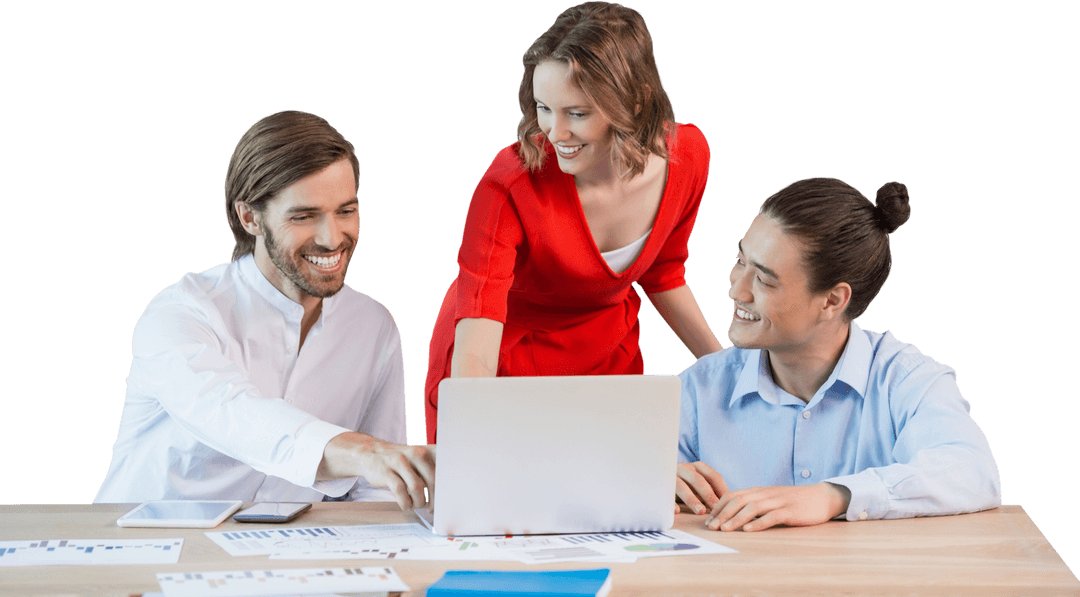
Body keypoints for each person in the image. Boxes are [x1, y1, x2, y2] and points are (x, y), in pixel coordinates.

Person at [95, 111, 434, 510]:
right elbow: (233, 416)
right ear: (250, 217)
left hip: (283, 554)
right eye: (304, 216)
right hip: (143, 547)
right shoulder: (181, 312)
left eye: (346, 211)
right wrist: (362, 452)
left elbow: (376, 487)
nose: (332, 238)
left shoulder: (374, 326)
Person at [424, 1, 722, 442]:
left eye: (577, 113)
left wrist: (725, 370)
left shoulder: (689, 157)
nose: (553, 132)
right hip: (503, 362)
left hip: (607, 358)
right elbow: (479, 331)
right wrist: (473, 434)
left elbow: (663, 271)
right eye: (544, 107)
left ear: (634, 104)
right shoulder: (509, 185)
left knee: (619, 502)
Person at [675, 178, 1000, 531]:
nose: (736, 289)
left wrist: (834, 496)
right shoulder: (699, 387)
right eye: (740, 261)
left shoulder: (905, 380)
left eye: (765, 281)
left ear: (832, 301)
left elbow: (973, 472)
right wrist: (648, 480)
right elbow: (616, 473)